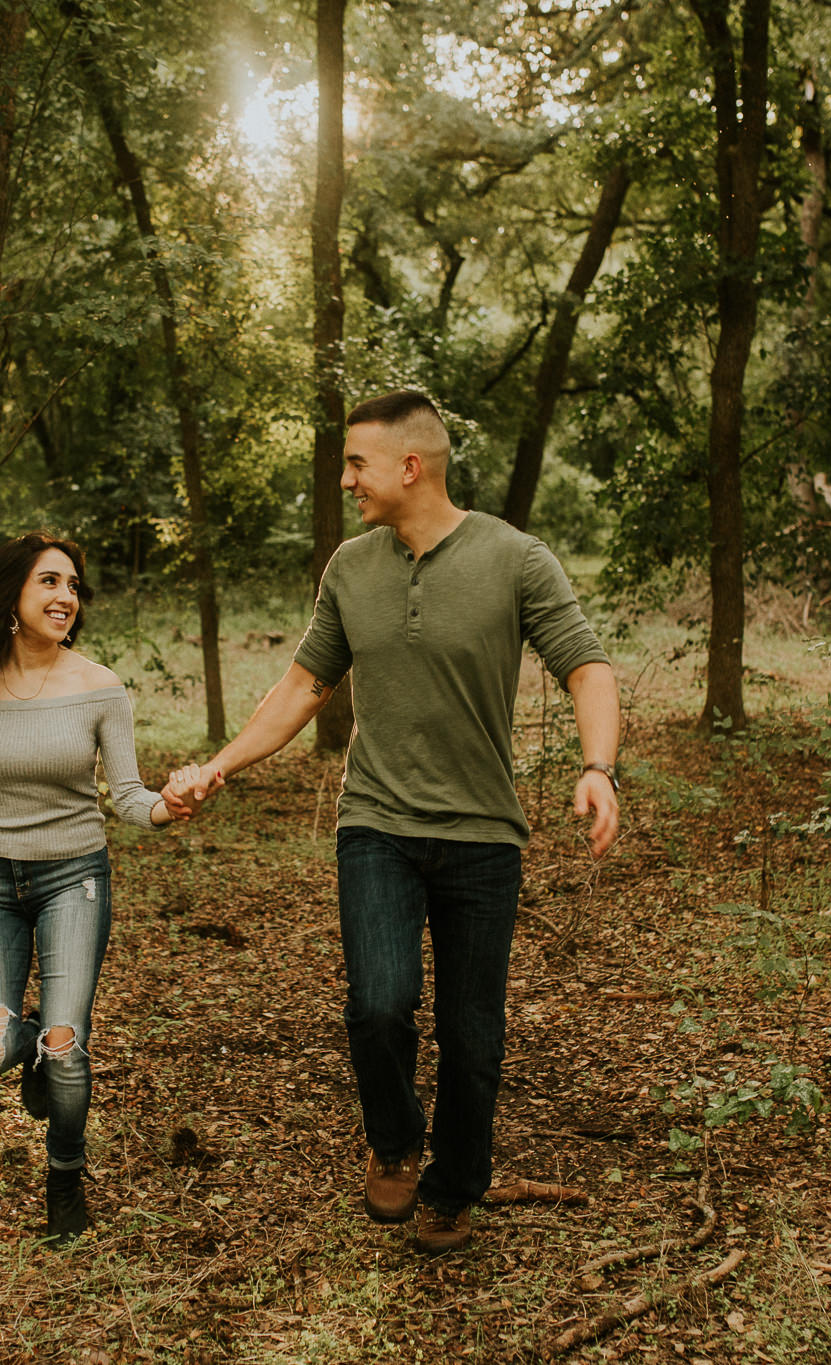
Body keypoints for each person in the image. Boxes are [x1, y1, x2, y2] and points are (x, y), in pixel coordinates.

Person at [164, 390, 619, 1254]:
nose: (346, 479)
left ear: (411, 465)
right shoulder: (351, 567)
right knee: (379, 1004)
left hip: (484, 831)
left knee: (474, 1034)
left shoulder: (517, 560)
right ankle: (395, 1139)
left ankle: (453, 1186)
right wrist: (220, 763)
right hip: (375, 820)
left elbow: (586, 666)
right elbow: (304, 685)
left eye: (356, 463)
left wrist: (597, 767)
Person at [0, 531, 183, 1247]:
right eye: (50, 581)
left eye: (74, 586)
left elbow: (129, 795)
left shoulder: (100, 686)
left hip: (73, 875)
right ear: (12, 596)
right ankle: (36, 1058)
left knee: (67, 1043)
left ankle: (64, 1177)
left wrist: (171, 804)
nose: (66, 597)